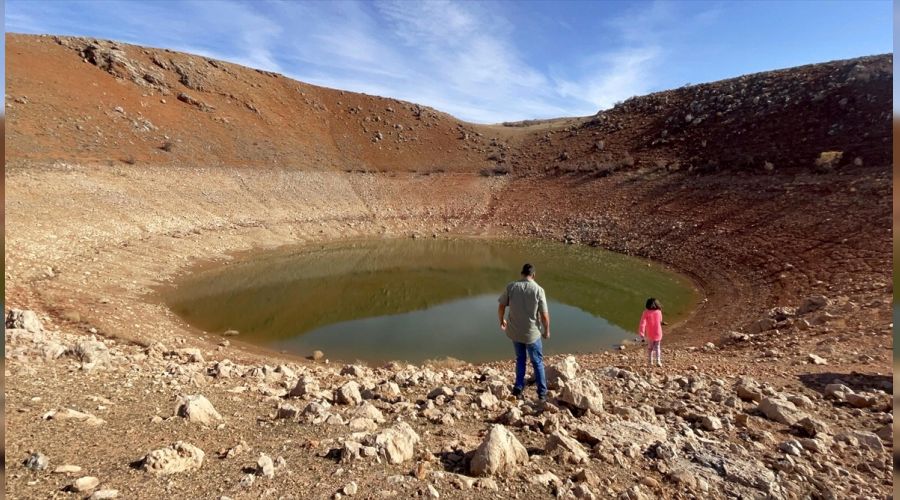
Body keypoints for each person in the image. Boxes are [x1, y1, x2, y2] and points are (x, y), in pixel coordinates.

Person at [498, 263, 550, 401]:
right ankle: (542, 394)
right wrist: (547, 331)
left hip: (515, 332)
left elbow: (501, 306)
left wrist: (501, 320)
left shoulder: (511, 287)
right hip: (532, 334)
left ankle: (518, 388)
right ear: (533, 275)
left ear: (521, 274)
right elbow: (544, 315)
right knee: (537, 362)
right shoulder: (539, 290)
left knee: (520, 359)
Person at [638, 297, 664, 367]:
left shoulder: (645, 312)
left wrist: (641, 333)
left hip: (650, 334)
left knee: (650, 348)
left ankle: (650, 362)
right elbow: (660, 321)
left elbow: (642, 323)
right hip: (658, 332)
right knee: (658, 347)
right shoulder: (659, 312)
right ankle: (658, 361)